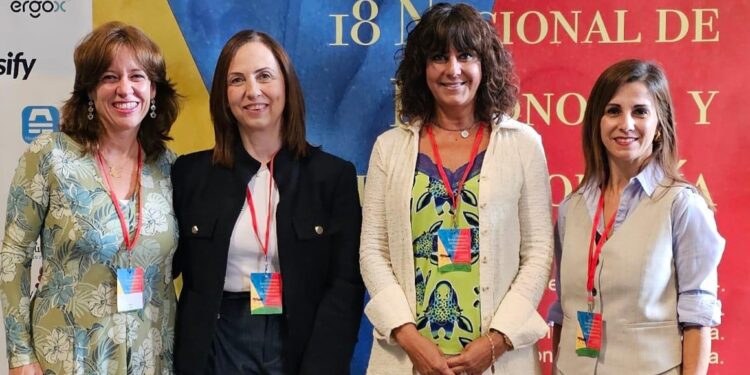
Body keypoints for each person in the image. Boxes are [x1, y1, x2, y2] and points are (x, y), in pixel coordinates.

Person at [360, 3, 553, 374]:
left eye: (465, 55)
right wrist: (411, 341)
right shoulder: (390, 148)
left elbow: (539, 252)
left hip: (498, 360)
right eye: (438, 57)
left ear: (485, 65)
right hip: (409, 361)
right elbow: (373, 251)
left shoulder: (522, 144)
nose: (453, 69)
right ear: (422, 69)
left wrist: (496, 343)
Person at [171, 30, 364, 375]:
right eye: (237, 80)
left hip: (301, 345)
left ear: (287, 86)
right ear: (223, 95)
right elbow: (159, 263)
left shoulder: (332, 177)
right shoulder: (190, 174)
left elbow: (345, 286)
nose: (252, 91)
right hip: (217, 345)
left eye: (264, 76)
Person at [0, 22, 180, 375]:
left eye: (137, 76)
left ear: (154, 90)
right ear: (89, 92)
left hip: (151, 355)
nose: (125, 89)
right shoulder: (50, 156)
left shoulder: (169, 167)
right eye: (109, 77)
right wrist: (20, 355)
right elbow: (13, 257)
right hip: (70, 355)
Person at [548, 59, 724, 375]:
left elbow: (698, 317)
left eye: (640, 111)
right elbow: (564, 311)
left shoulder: (682, 205)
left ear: (659, 126)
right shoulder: (570, 209)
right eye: (613, 110)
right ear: (597, 123)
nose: (626, 124)